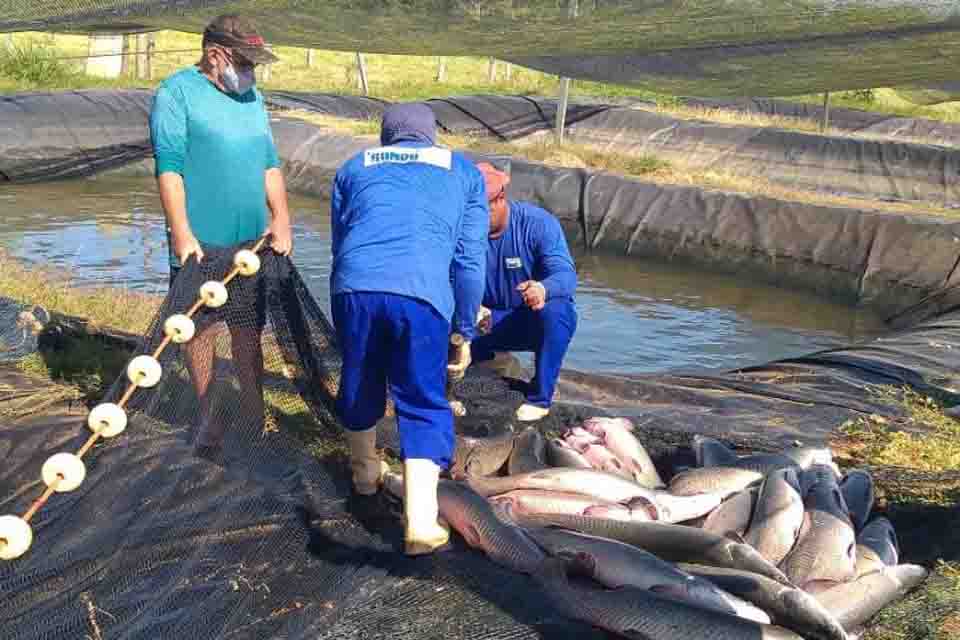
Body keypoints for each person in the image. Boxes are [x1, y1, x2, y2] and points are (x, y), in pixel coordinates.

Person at [329, 103, 488, 555]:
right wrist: (463, 330)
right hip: (421, 295)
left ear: (387, 137)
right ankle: (420, 523)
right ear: (432, 136)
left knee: (360, 379)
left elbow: (342, 244)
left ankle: (364, 479)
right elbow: (470, 261)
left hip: (354, 288)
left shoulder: (353, 166)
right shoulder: (462, 171)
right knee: (420, 398)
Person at [149, 14, 293, 457]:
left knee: (248, 332)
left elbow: (269, 164)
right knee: (200, 331)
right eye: (246, 62)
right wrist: (182, 232)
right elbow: (169, 168)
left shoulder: (252, 98)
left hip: (250, 242)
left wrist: (281, 218)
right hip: (201, 240)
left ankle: (254, 415)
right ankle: (209, 416)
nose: (251, 72)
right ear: (216, 55)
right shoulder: (176, 94)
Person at [470, 162, 578, 422]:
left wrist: (543, 288)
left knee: (558, 310)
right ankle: (476, 371)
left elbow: (566, 275)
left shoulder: (537, 224)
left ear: (500, 199)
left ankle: (540, 398)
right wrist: (466, 304)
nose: (474, 218)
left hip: (525, 320)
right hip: (478, 321)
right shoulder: (458, 231)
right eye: (468, 210)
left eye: (482, 208)